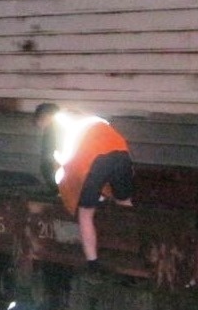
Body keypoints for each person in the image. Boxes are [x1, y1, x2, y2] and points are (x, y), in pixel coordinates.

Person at [33, 103, 134, 268]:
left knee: (85, 213)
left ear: (44, 118)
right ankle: (133, 245)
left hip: (96, 161)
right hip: (122, 154)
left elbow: (50, 165)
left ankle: (92, 262)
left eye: (41, 126)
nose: (43, 130)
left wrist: (58, 190)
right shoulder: (83, 117)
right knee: (124, 202)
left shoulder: (55, 126)